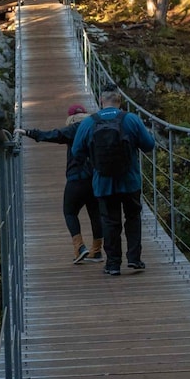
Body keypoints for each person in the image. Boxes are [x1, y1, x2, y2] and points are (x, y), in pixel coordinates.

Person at [72, 84, 155, 276]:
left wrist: (93, 162)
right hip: (130, 180)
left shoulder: (88, 123)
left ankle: (113, 264)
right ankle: (134, 260)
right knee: (133, 218)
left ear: (101, 100)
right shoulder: (131, 120)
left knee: (110, 222)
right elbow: (149, 145)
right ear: (120, 100)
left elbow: (77, 151)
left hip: (103, 182)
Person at [15, 104, 105, 264]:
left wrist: (28, 132)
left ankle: (80, 247)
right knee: (95, 213)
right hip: (94, 179)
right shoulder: (96, 126)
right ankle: (97, 251)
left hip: (76, 179)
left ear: (70, 118)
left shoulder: (73, 129)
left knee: (70, 212)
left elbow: (54, 135)